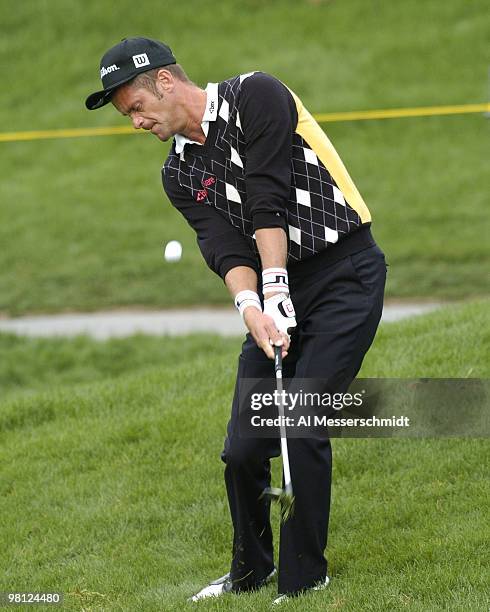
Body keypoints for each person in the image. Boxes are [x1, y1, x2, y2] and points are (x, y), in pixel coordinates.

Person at [86, 37, 387, 605]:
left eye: (136, 108)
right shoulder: (178, 174)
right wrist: (251, 306)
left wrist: (275, 286)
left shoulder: (258, 95)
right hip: (273, 290)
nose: (135, 123)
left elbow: (265, 196)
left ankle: (305, 578)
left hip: (345, 272)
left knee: (302, 421)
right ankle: (251, 571)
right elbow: (225, 247)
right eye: (130, 115)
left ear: (165, 83)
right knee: (244, 448)